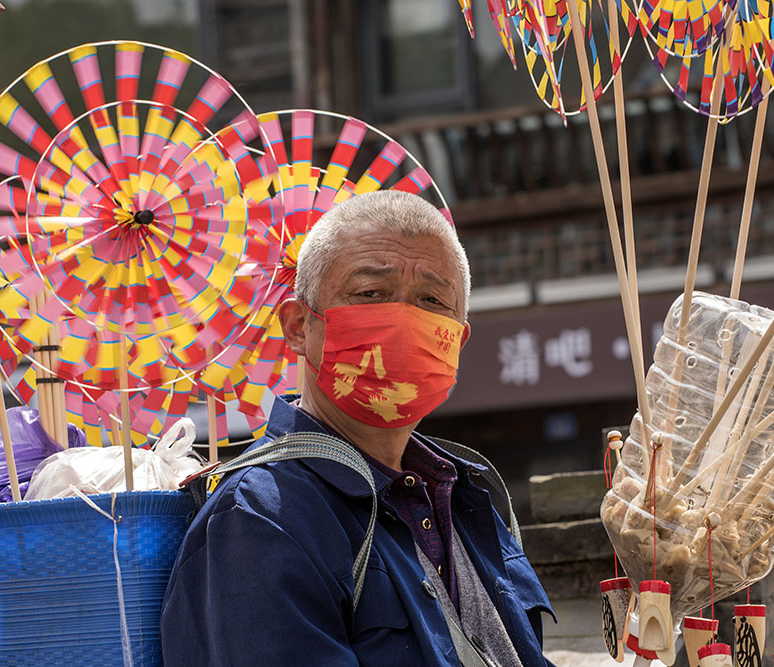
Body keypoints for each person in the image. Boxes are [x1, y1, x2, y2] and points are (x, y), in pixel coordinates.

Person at [160, 190, 554, 666]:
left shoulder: (468, 493)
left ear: (458, 340)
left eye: (432, 301)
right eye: (370, 294)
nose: (403, 321)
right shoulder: (260, 519)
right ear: (299, 325)